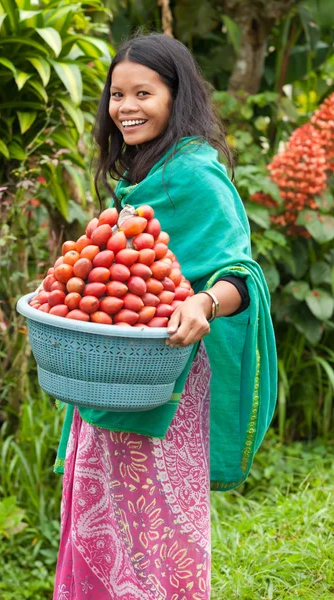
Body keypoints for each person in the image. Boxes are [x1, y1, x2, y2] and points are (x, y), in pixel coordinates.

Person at [53, 33, 277, 600]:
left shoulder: (196, 176)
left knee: (154, 528)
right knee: (104, 518)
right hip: (114, 370)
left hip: (167, 377)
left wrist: (203, 302)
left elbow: (239, 276)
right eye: (116, 95)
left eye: (143, 94)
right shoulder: (140, 176)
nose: (126, 107)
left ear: (177, 98)